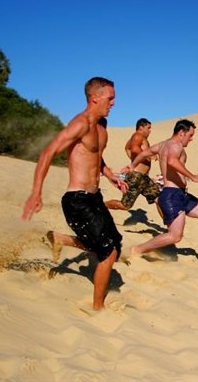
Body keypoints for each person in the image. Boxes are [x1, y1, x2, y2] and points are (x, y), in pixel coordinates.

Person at [22, 77, 127, 311]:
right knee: (107, 252)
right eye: (110, 98)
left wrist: (109, 174)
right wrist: (35, 193)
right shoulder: (81, 123)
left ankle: (59, 238)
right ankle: (98, 308)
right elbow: (47, 154)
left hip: (95, 197)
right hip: (77, 200)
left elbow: (96, 156)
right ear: (94, 98)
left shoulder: (102, 126)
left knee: (115, 247)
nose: (113, 103)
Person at [121, 119, 198, 265]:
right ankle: (136, 250)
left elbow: (145, 153)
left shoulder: (163, 144)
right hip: (171, 195)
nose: (191, 139)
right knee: (175, 236)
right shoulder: (176, 145)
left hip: (181, 194)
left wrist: (132, 165)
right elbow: (172, 161)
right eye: (190, 135)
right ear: (181, 133)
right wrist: (193, 177)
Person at [104, 117, 161, 211]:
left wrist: (134, 159)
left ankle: (169, 225)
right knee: (125, 205)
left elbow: (127, 148)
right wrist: (148, 156)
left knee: (159, 199)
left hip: (144, 177)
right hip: (136, 177)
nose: (150, 131)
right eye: (148, 128)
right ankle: (101, 206)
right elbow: (134, 148)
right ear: (141, 127)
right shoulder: (138, 136)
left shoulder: (139, 137)